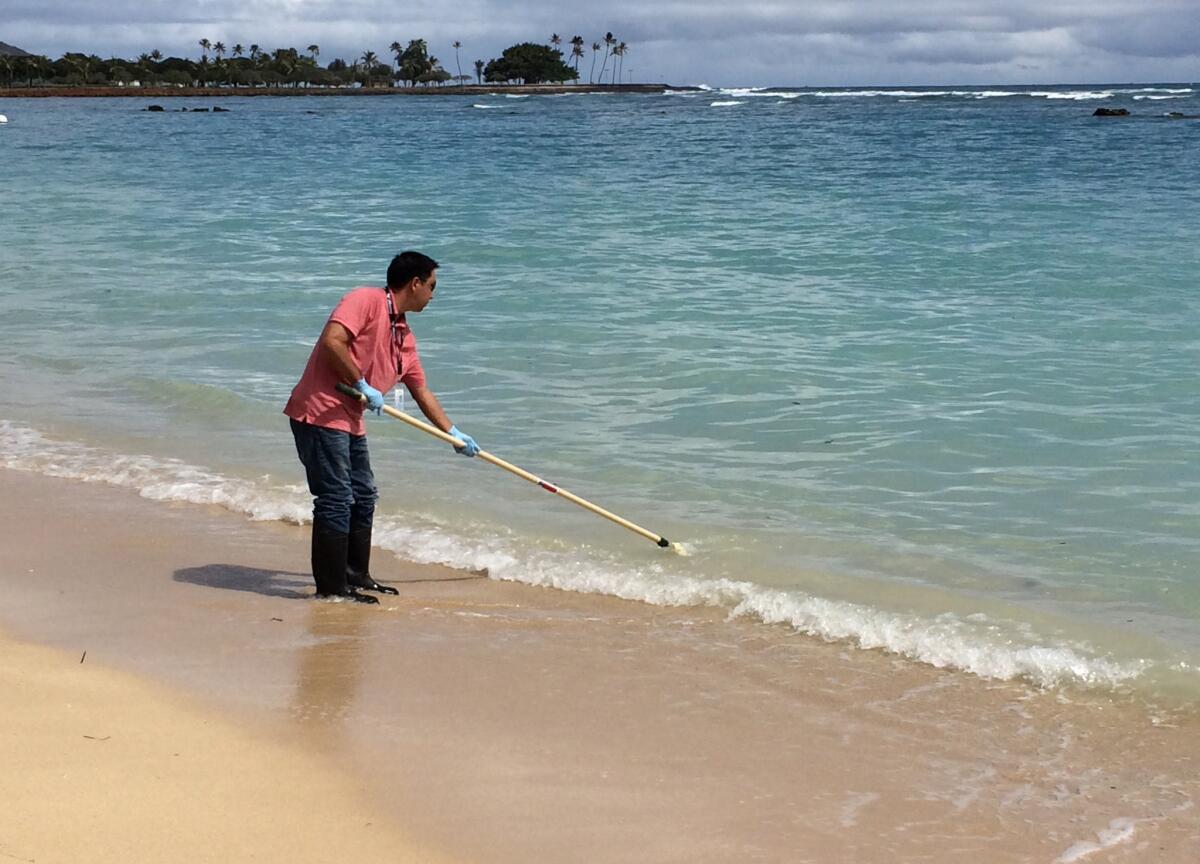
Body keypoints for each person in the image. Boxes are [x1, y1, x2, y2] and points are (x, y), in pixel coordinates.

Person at [284, 251, 479, 604]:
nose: (434, 295)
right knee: (336, 498)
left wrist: (452, 432)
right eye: (432, 286)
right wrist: (361, 382)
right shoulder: (366, 300)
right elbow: (332, 341)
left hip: (350, 421)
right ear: (415, 283)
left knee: (364, 494)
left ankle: (355, 576)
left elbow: (420, 389)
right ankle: (331, 589)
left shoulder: (403, 333)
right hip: (321, 412)